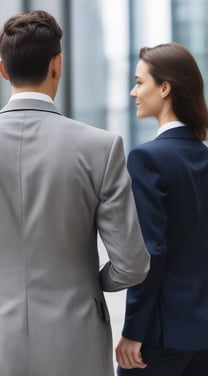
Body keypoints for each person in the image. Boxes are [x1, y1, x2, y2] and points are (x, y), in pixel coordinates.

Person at [0, 10, 150, 376]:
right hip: (79, 344)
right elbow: (132, 264)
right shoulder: (101, 148)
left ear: (2, 69)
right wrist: (94, 282)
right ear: (58, 64)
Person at [116, 42, 208, 375]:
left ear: (165, 88)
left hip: (160, 335)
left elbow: (150, 251)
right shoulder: (203, 156)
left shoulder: (148, 158)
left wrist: (132, 331)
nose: (132, 91)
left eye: (140, 82)